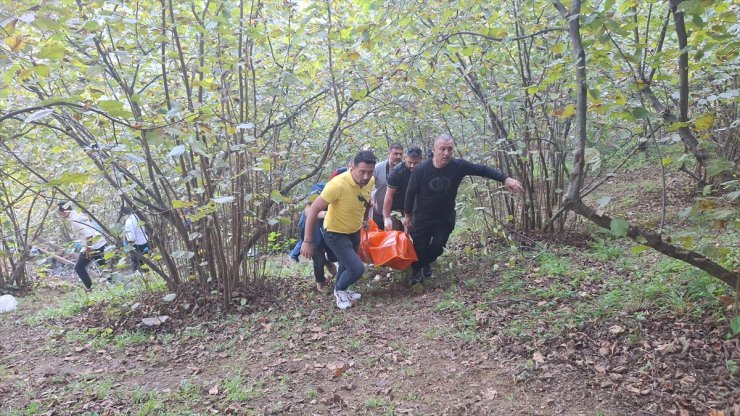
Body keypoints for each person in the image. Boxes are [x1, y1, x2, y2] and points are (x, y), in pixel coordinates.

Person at [403, 134, 524, 285]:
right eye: (442, 149)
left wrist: (505, 178)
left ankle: (426, 262)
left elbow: (482, 170)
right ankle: (416, 271)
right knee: (420, 246)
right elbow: (410, 192)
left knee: (437, 247)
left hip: (444, 216)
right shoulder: (421, 169)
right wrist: (407, 215)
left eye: (449, 149)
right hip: (423, 216)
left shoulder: (458, 166)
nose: (446, 153)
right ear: (434, 150)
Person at [301, 150, 376, 309]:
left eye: (370, 172)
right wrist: (307, 241)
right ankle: (339, 290)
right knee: (356, 269)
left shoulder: (370, 181)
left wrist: (364, 220)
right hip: (335, 233)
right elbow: (313, 210)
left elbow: (366, 200)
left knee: (345, 264)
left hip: (354, 231)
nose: (366, 176)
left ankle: (343, 289)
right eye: (362, 172)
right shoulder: (337, 184)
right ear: (352, 167)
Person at [57, 202, 108, 291]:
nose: (59, 215)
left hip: (93, 245)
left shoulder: (74, 220)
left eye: (59, 212)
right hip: (99, 242)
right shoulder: (77, 213)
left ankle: (89, 288)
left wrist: (88, 249)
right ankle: (116, 285)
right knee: (104, 267)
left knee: (79, 268)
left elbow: (89, 235)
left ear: (64, 211)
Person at [382, 146, 423, 231]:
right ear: (405, 158)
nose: (412, 166)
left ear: (421, 160)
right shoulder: (396, 173)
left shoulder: (424, 170)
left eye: (416, 163)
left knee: (412, 235)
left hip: (414, 209)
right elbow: (389, 196)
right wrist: (387, 218)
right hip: (395, 209)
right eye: (410, 162)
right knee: (393, 235)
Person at [371, 143, 404, 228]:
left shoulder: (405, 169)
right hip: (377, 212)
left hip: (397, 214)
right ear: (388, 154)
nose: (398, 157)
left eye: (400, 154)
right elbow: (367, 188)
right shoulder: (377, 168)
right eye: (395, 154)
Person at [122, 206, 150, 273]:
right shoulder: (138, 216)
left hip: (137, 245)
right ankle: (149, 275)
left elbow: (131, 238)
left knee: (139, 264)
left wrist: (127, 245)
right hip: (145, 241)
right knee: (146, 261)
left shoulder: (129, 222)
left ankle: (144, 276)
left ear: (124, 214)